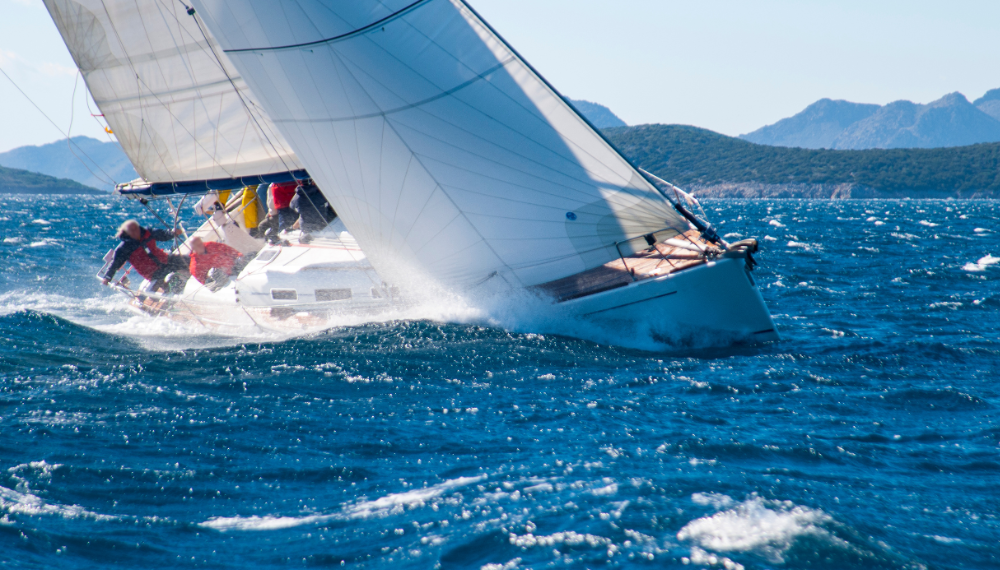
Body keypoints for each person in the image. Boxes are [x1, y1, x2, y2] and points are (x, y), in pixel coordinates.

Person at [102, 220, 187, 286]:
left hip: (165, 260)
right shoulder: (123, 249)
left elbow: (163, 235)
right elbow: (114, 265)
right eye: (132, 230)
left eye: (136, 228)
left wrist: (172, 233)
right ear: (126, 232)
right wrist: (107, 278)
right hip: (153, 272)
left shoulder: (148, 232)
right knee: (174, 282)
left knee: (188, 260)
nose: (135, 232)